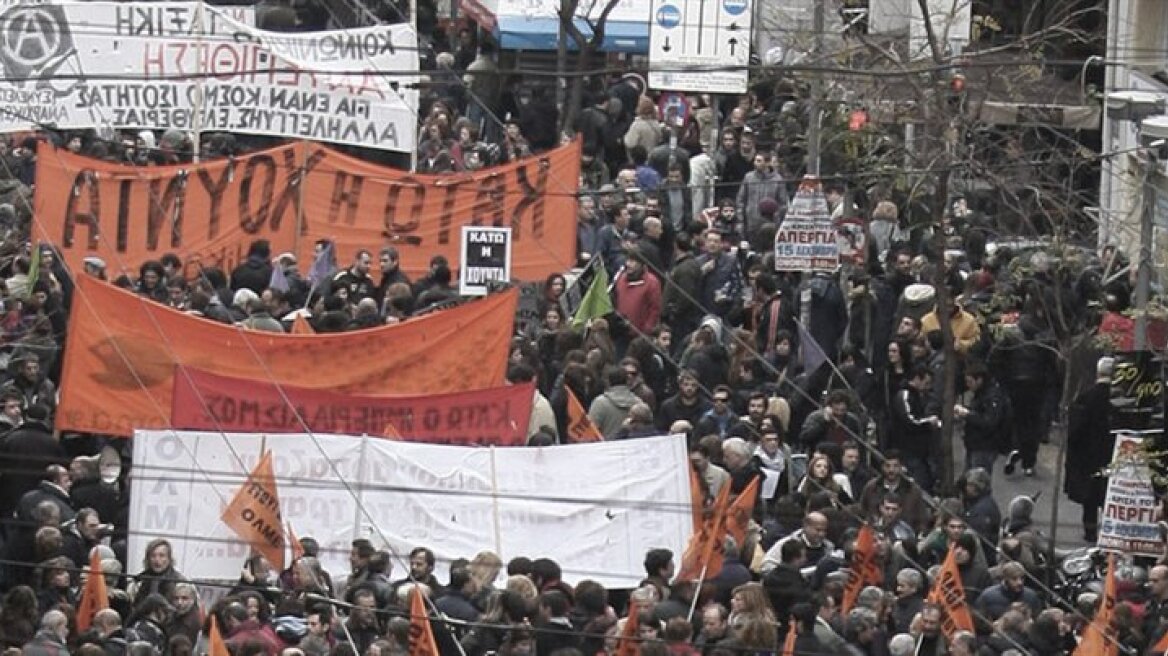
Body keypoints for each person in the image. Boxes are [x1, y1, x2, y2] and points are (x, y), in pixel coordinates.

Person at [1064, 356, 1115, 542]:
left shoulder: (1086, 397)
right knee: (1109, 496)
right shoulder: (1120, 401)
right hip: (1112, 456)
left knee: (1090, 499)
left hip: (1088, 457)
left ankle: (1090, 531)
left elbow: (1075, 431)